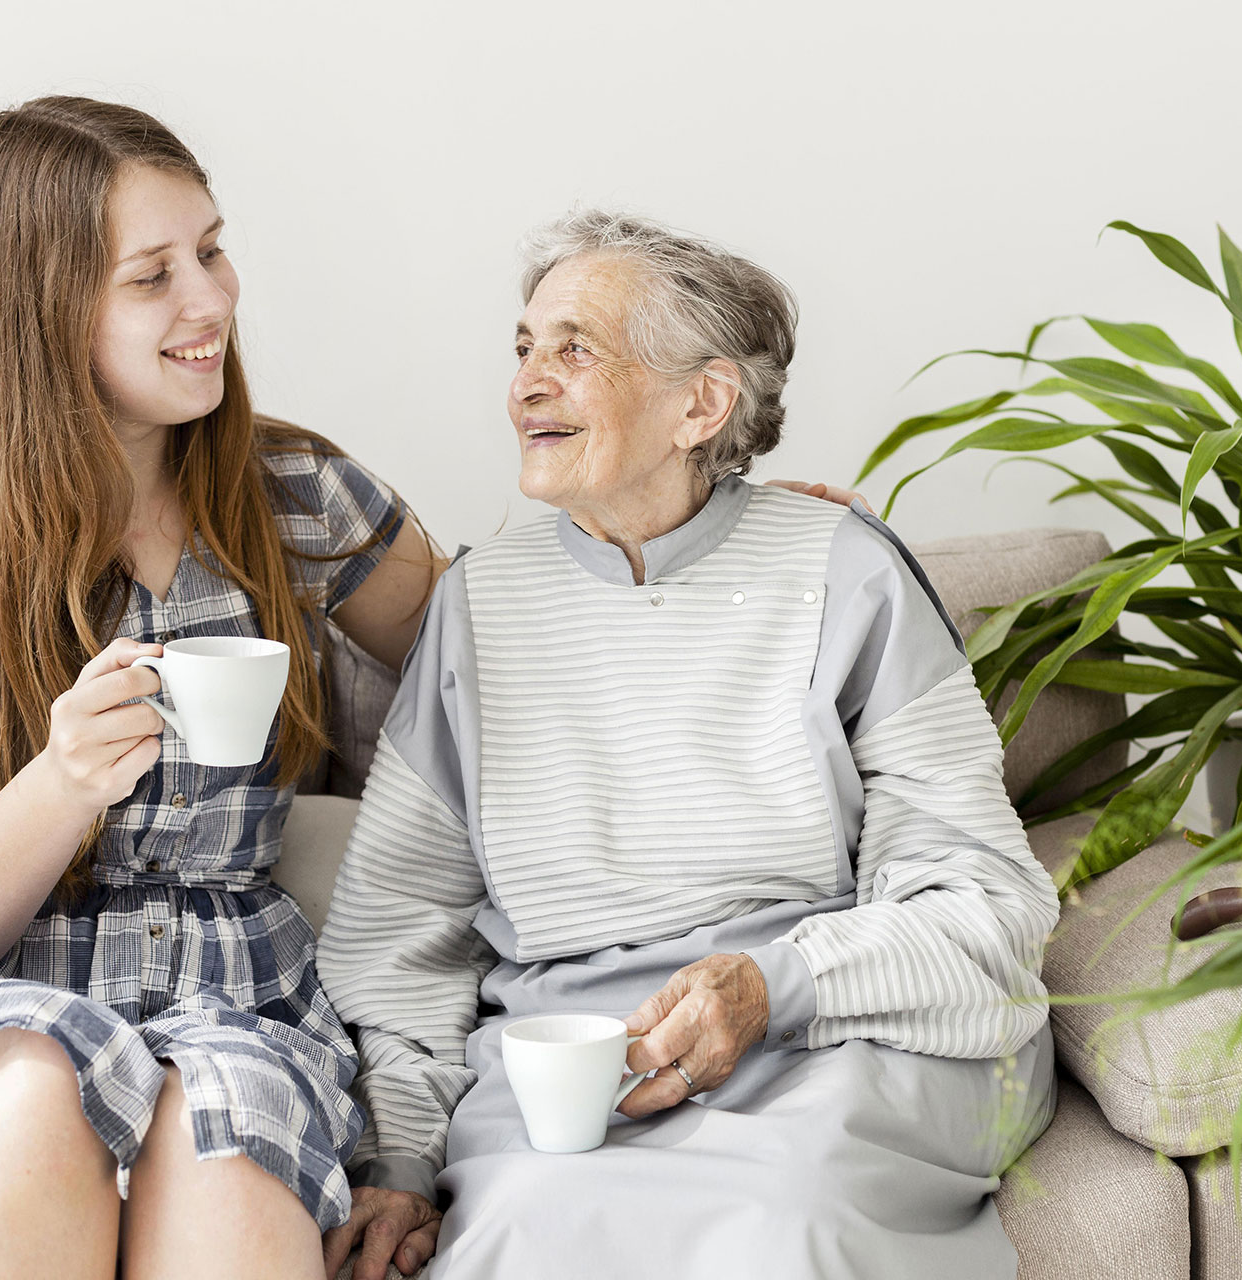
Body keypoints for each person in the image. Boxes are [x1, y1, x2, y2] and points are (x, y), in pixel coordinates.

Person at [0, 102, 858, 1280]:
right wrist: (60, 784)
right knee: (37, 1091)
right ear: (43, 310)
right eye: (153, 275)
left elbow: (514, 644)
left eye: (210, 247)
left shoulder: (295, 496)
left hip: (231, 1010)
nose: (212, 298)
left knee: (226, 1161)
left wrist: (719, 523)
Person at [317, 211, 1060, 1280]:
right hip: (579, 1059)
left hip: (832, 1031)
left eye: (574, 347)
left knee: (781, 1223)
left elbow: (988, 903)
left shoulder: (844, 574)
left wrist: (773, 982)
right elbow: (400, 933)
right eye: (523, 347)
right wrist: (397, 1152)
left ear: (701, 403)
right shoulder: (481, 607)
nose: (527, 381)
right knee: (526, 1230)